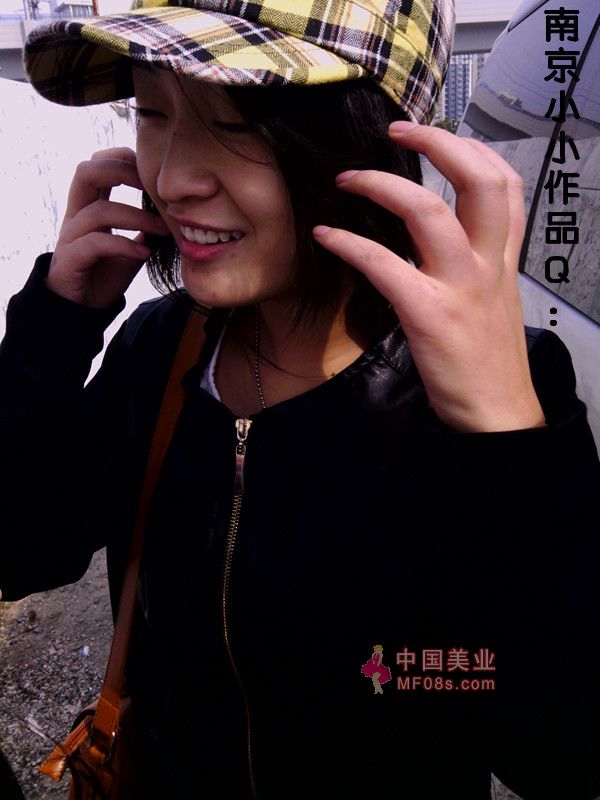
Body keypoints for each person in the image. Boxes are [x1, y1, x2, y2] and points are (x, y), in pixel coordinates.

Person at [1, 0, 599, 797]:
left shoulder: (496, 393)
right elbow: (24, 552)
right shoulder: (161, 350)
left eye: (238, 123)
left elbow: (559, 754)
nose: (172, 179)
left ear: (375, 138)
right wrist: (50, 333)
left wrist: (507, 444)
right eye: (151, 111)